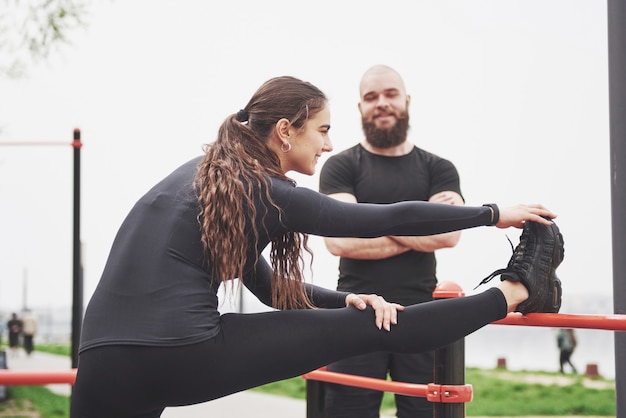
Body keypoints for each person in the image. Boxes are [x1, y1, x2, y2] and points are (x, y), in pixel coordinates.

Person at [70, 75, 563, 418]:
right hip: (179, 350)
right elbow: (386, 217)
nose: (327, 145)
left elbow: (264, 284)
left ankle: (515, 288)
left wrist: (343, 298)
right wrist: (493, 213)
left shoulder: (207, 176)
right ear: (286, 131)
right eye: (323, 130)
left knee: (361, 313)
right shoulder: (263, 189)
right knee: (386, 325)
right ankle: (520, 289)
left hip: (99, 362)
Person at [319, 64, 463, 418]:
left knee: (424, 412)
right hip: (355, 312)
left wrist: (365, 218)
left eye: (390, 94)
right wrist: (420, 223)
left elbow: (449, 234)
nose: (381, 103)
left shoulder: (439, 168)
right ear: (360, 108)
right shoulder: (340, 167)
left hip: (422, 315)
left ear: (407, 100)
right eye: (371, 97)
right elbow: (339, 242)